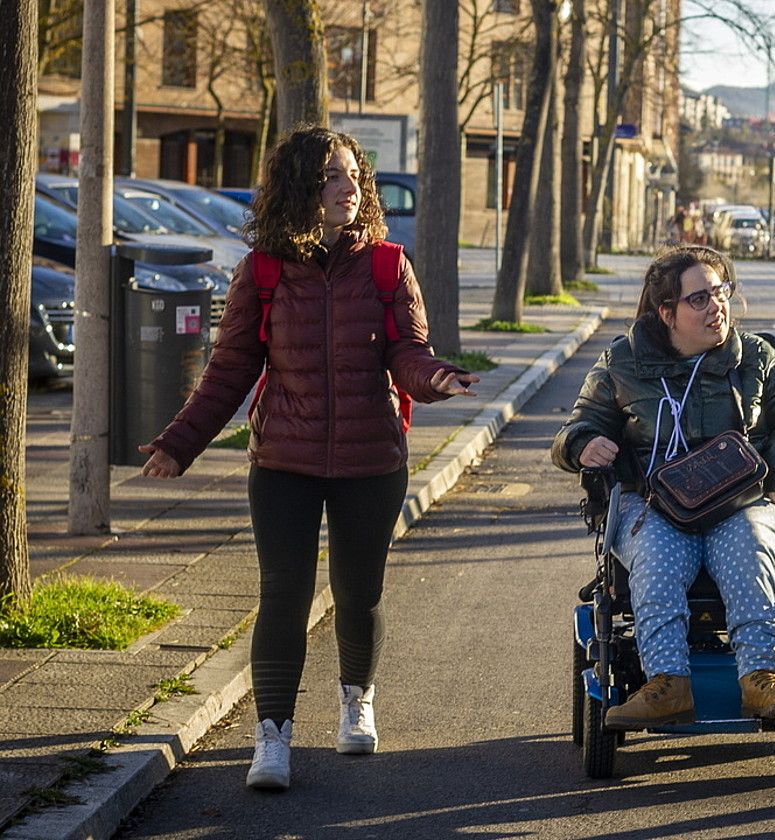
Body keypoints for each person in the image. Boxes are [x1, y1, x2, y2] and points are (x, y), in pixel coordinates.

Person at [139, 126, 480, 791]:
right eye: (331, 176)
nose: (348, 187)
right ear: (300, 187)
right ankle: (273, 739)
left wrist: (433, 377)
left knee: (359, 591)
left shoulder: (387, 265)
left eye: (354, 175)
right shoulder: (262, 271)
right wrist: (181, 443)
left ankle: (356, 700)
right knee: (283, 594)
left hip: (371, 461)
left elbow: (405, 353)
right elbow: (229, 370)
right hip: (284, 464)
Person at [551, 245, 775, 729]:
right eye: (698, 299)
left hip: (745, 502)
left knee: (748, 543)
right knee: (657, 554)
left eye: (720, 292)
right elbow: (577, 427)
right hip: (656, 506)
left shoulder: (757, 359)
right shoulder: (622, 363)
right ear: (667, 312)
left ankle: (761, 678)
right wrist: (584, 444)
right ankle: (666, 684)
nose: (716, 306)